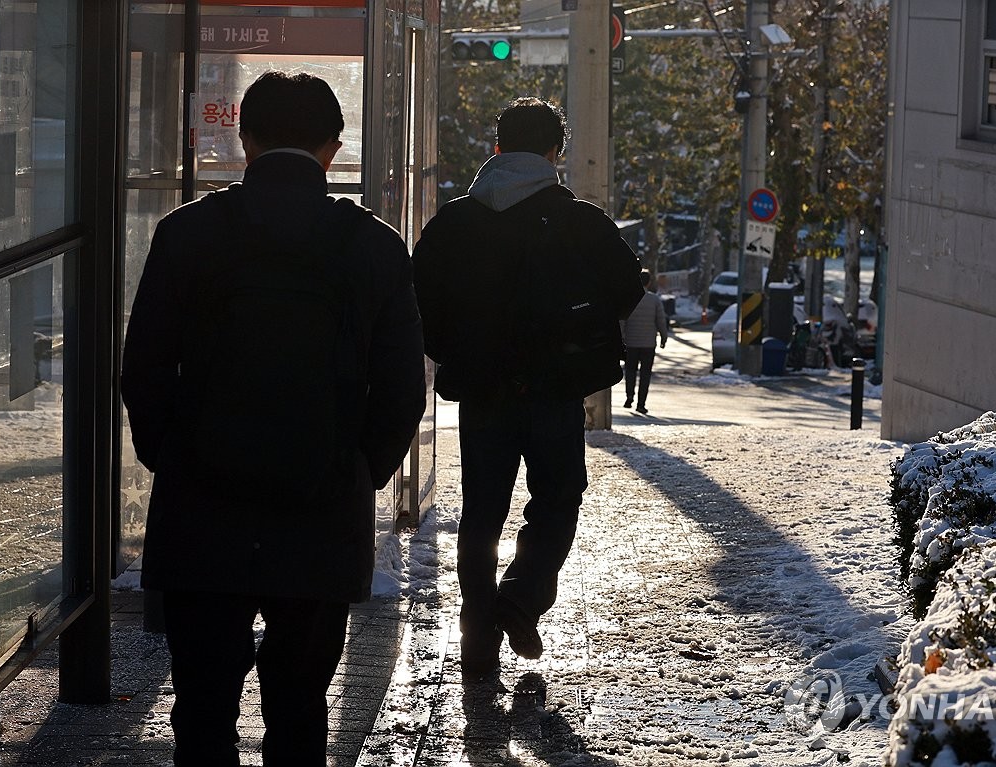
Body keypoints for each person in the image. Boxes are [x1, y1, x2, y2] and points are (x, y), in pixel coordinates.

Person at [121, 71, 425, 766]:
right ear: (334, 147)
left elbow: (144, 368)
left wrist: (175, 456)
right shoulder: (373, 245)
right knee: (298, 708)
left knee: (201, 707)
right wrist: (358, 470)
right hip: (319, 513)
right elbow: (405, 387)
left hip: (203, 509)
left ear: (244, 137)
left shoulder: (187, 233)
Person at [412, 97, 642, 678]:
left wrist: (459, 353)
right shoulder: (581, 221)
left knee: (481, 513)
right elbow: (628, 286)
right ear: (554, 154)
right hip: (556, 390)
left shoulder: (455, 223)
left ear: (495, 149)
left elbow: (417, 304)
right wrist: (580, 327)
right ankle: (520, 597)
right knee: (558, 499)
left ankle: (477, 628)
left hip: (484, 394)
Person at [620, 268, 668, 414]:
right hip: (648, 344)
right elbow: (660, 320)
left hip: (631, 343)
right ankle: (641, 403)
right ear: (649, 282)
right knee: (645, 374)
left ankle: (629, 397)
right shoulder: (654, 300)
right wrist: (663, 337)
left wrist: (621, 337)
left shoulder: (629, 298)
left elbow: (623, 321)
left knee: (630, 371)